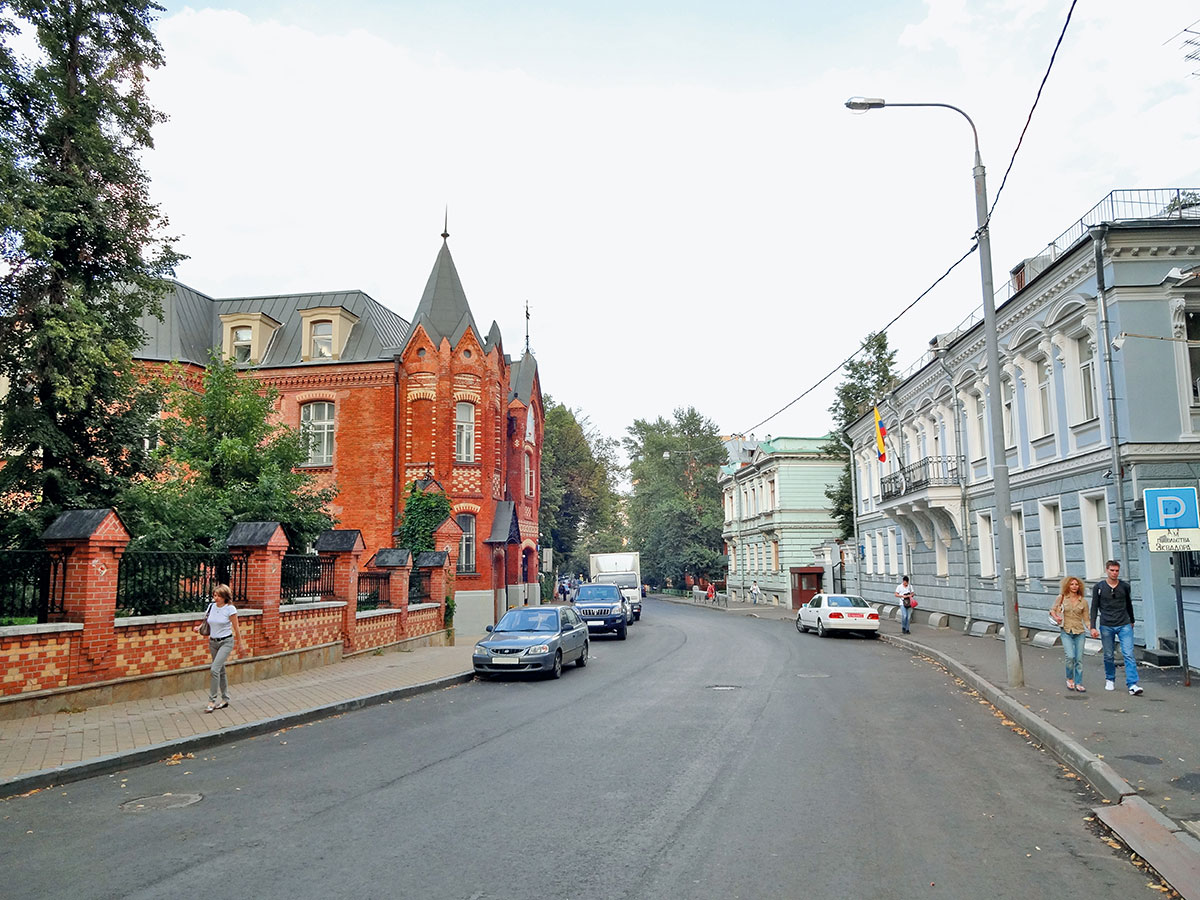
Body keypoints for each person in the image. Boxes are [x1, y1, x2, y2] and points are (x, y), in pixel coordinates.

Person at [1090, 560, 1142, 695]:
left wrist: (1132, 620)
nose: (1114, 573)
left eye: (1117, 570)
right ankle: (1110, 679)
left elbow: (1128, 603)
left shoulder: (1124, 586)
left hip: (1124, 623)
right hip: (1107, 624)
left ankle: (1132, 684)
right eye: (1112, 570)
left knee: (1128, 653)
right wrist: (1092, 626)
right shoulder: (1099, 587)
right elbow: (1094, 607)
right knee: (1108, 654)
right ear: (1107, 570)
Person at [194, 583, 246, 712]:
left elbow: (236, 628)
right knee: (221, 671)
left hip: (226, 642)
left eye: (218, 595)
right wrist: (199, 628)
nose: (215, 598)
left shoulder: (230, 609)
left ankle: (211, 701)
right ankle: (225, 699)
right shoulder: (211, 606)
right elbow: (206, 622)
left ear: (224, 596)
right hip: (213, 642)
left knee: (214, 669)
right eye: (214, 595)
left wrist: (240, 644)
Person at [1051, 575, 1089, 693]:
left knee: (1079, 659)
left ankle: (1079, 682)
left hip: (1079, 631)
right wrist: (1056, 617)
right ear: (1067, 585)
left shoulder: (1083, 601)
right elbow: (1052, 609)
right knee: (1070, 656)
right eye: (1072, 584)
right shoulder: (1061, 598)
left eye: (1076, 584)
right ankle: (1070, 678)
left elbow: (1086, 619)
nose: (1074, 586)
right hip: (1066, 630)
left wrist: (1091, 628)